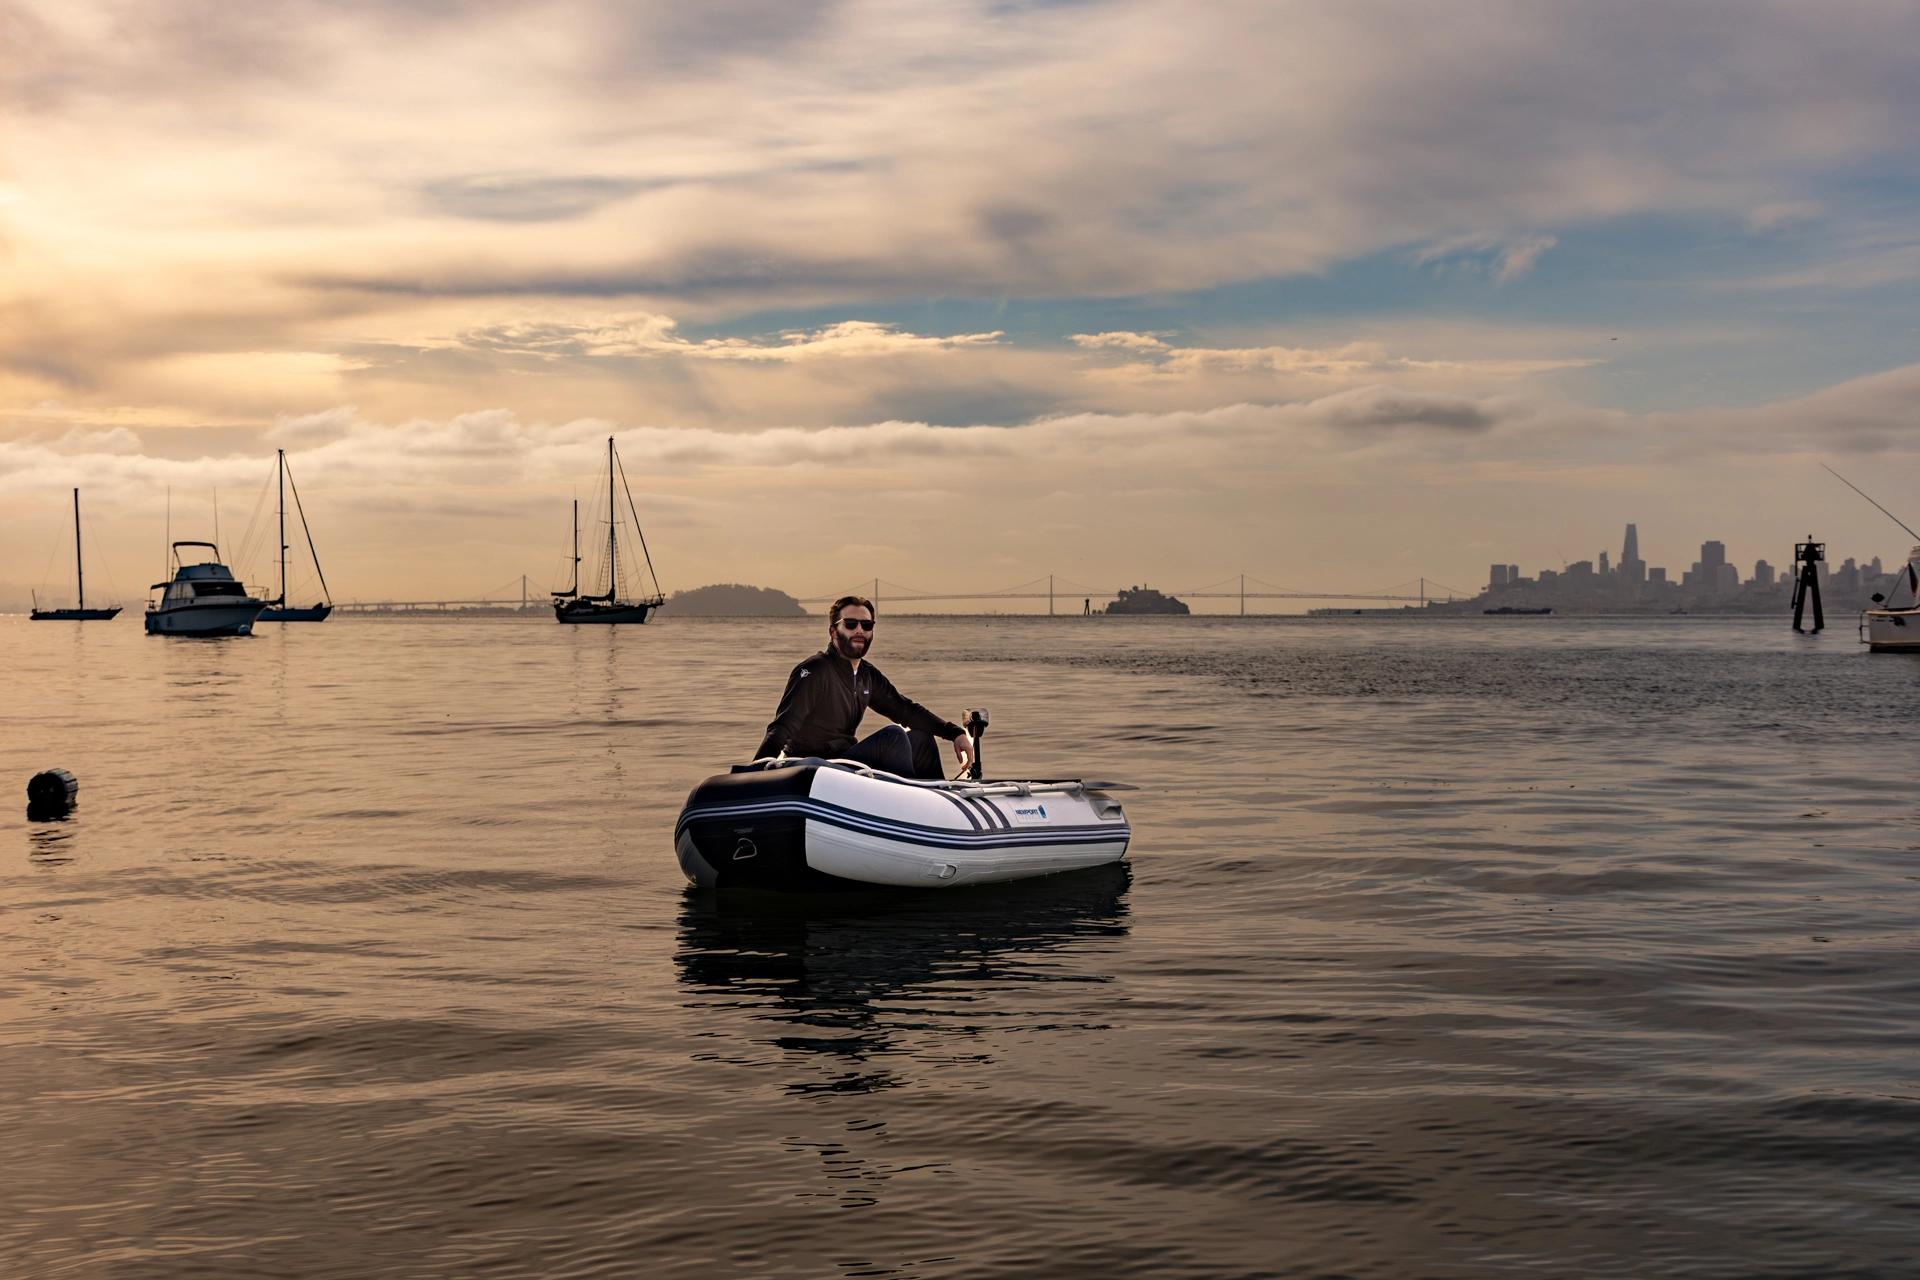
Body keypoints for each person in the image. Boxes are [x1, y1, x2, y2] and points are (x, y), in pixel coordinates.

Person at [755, 595, 974, 779]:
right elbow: (782, 727)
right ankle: (906, 806)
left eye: (866, 625)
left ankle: (937, 808)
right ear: (833, 631)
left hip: (846, 762)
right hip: (815, 771)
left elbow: (905, 710)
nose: (859, 630)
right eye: (851, 624)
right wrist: (754, 774)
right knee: (893, 736)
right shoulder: (815, 670)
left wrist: (955, 733)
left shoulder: (866, 675)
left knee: (921, 739)